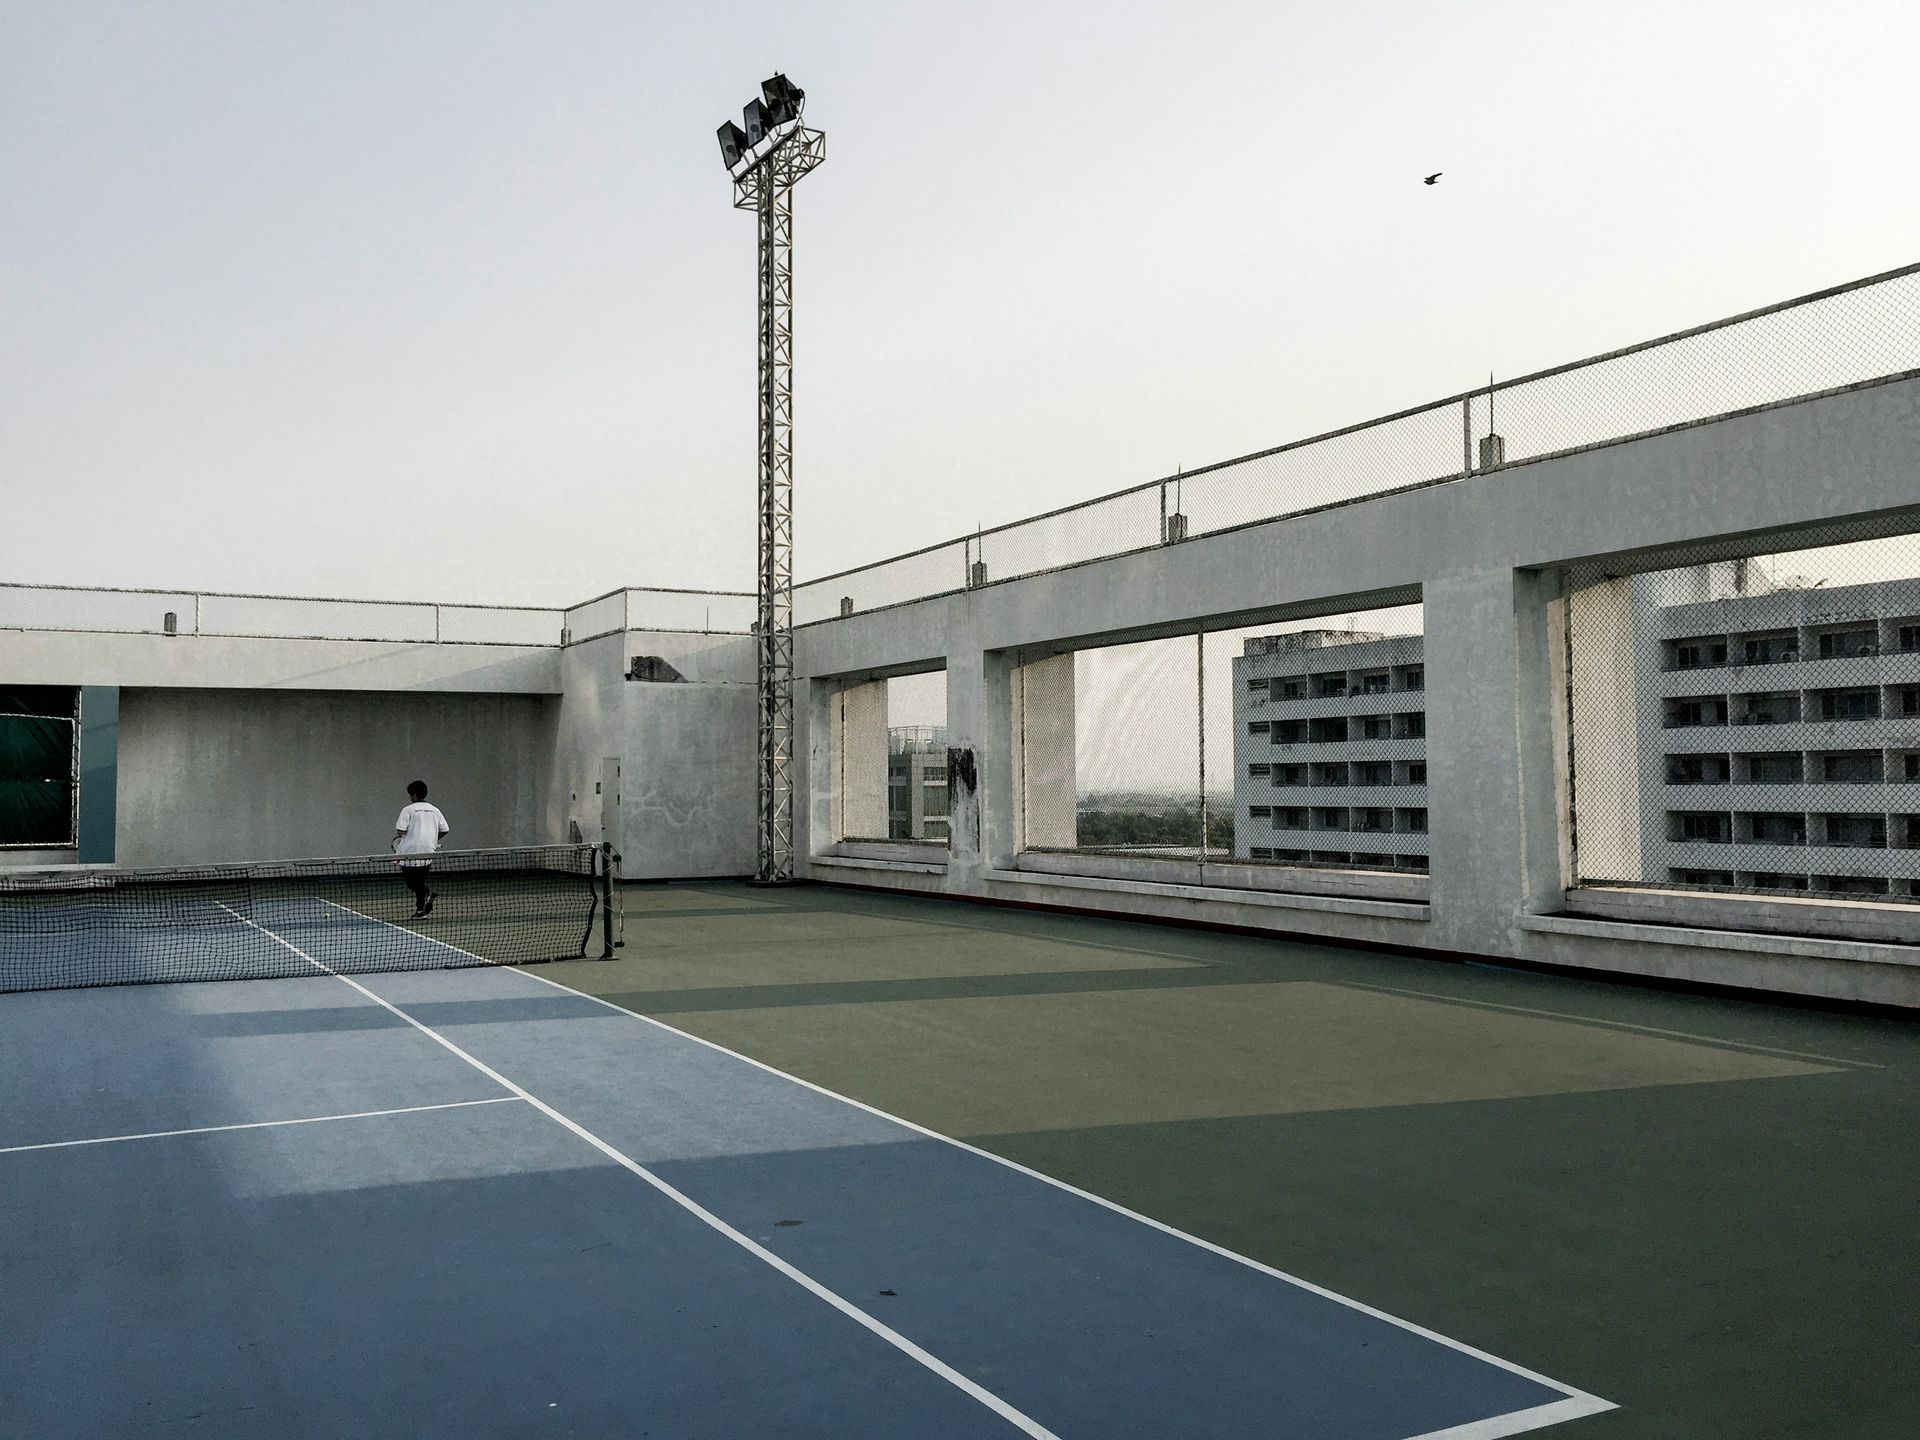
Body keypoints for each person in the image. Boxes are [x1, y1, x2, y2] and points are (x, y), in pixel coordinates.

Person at [391, 780, 449, 919]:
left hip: (409, 852)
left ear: (414, 795)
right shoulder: (435, 810)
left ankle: (427, 893)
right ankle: (420, 912)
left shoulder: (408, 809)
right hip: (428, 850)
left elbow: (400, 830)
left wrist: (407, 834)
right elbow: (445, 830)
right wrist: (433, 839)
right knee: (420, 880)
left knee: (411, 882)